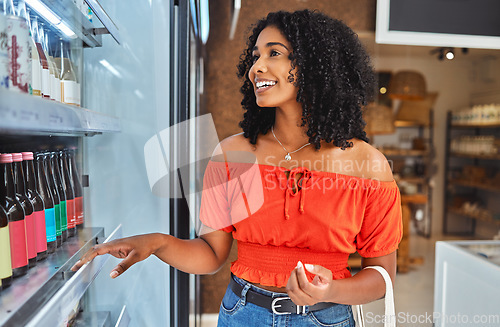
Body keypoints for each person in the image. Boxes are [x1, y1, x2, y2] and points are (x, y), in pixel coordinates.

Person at [72, 9, 402, 326]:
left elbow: (382, 276)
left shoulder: (367, 166)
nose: (256, 67)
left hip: (325, 318)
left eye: (274, 53)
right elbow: (211, 254)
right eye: (255, 56)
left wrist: (331, 289)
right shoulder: (232, 153)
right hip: (242, 314)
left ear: (315, 66)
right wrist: (158, 243)